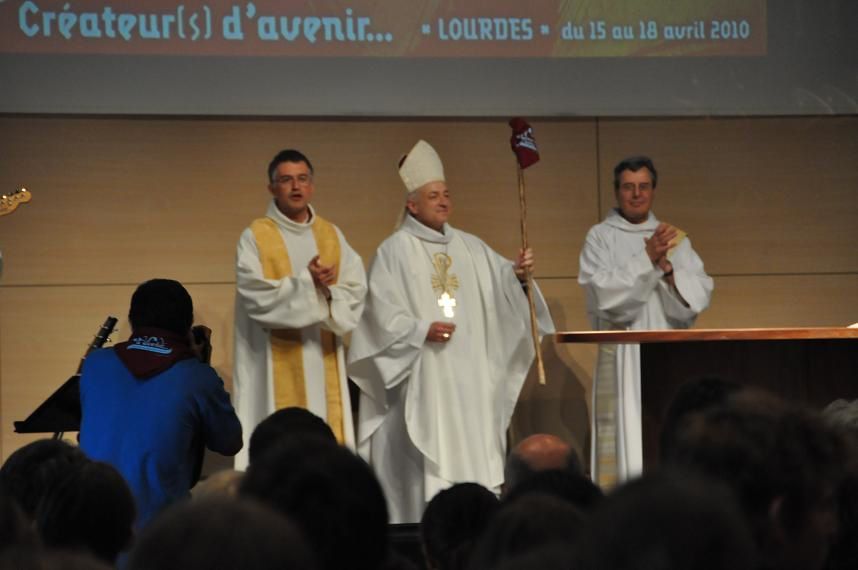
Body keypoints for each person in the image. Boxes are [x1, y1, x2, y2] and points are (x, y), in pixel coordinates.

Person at [348, 140, 555, 523]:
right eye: (433, 195)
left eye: (446, 194)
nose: (443, 201)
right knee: (427, 471)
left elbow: (502, 292)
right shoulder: (394, 251)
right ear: (412, 204)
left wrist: (518, 277)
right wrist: (420, 330)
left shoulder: (472, 247)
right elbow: (378, 317)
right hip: (421, 378)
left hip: (469, 385)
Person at [578, 155, 713, 486]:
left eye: (643, 186)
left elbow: (696, 299)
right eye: (628, 187)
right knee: (625, 438)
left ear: (653, 191)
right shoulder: (599, 237)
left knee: (662, 427)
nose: (636, 194)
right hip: (621, 354)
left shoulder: (674, 237)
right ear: (616, 191)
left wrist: (667, 273)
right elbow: (603, 296)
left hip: (664, 351)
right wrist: (648, 259)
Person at [233, 149, 367, 468]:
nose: (296, 187)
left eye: (303, 179)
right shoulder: (255, 236)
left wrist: (327, 292)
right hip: (271, 360)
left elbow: (355, 291)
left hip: (322, 358)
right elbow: (255, 295)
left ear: (312, 185)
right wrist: (309, 285)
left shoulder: (331, 235)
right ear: (272, 188)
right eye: (286, 180)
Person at [79, 278, 243, 527]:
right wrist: (198, 362)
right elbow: (229, 442)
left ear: (133, 318)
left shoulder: (94, 364)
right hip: (161, 533)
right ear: (186, 326)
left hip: (90, 524)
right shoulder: (197, 376)